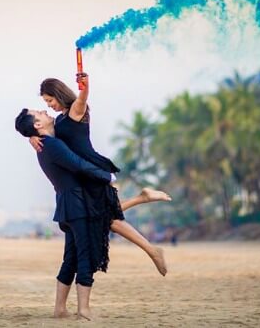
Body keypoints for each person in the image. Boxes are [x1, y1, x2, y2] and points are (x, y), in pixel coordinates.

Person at [30, 74, 171, 275]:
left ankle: (152, 248)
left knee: (106, 219)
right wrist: (32, 137)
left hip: (92, 169)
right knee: (101, 216)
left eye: (50, 100)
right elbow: (44, 132)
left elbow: (82, 99)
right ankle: (143, 201)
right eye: (45, 102)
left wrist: (85, 87)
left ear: (58, 94)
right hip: (83, 172)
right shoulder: (59, 119)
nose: (49, 105)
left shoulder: (76, 111)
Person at [16, 108, 135, 320]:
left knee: (71, 258)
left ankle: (60, 309)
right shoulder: (50, 145)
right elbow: (77, 164)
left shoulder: (45, 144)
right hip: (77, 205)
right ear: (37, 125)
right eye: (39, 112)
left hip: (67, 205)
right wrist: (108, 177)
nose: (44, 110)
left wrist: (30, 137)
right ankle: (84, 309)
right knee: (85, 256)